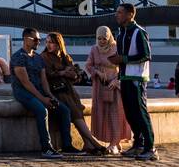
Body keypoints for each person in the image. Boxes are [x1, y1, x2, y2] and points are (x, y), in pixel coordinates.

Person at [10, 27, 74, 158]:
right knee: (42, 110)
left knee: (64, 110)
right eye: (35, 39)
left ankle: (67, 146)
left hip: (38, 91)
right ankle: (46, 148)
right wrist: (42, 99)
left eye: (39, 40)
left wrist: (50, 96)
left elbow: (44, 81)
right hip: (23, 92)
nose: (38, 42)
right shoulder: (18, 57)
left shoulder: (38, 58)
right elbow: (25, 83)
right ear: (25, 39)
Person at [42, 32, 107, 155]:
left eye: (52, 42)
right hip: (57, 91)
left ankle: (88, 144)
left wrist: (73, 74)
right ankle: (94, 142)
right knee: (75, 112)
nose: (49, 45)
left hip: (69, 91)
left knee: (78, 111)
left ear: (58, 44)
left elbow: (76, 77)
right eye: (47, 42)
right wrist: (62, 72)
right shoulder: (44, 57)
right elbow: (47, 74)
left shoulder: (66, 57)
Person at [111, 3, 157, 160]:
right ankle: (138, 144)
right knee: (130, 113)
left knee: (140, 112)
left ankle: (150, 148)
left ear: (130, 14)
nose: (117, 15)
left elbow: (146, 55)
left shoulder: (139, 32)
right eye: (117, 12)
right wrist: (116, 60)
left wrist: (122, 59)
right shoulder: (120, 33)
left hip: (137, 77)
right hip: (124, 77)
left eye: (120, 12)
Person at [86, 24, 130, 154]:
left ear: (109, 37)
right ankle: (114, 142)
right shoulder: (94, 49)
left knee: (115, 115)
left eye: (104, 38)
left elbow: (124, 67)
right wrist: (98, 72)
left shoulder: (116, 48)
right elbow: (88, 65)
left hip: (114, 86)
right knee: (103, 115)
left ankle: (114, 142)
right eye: (99, 38)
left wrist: (117, 80)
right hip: (100, 87)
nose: (101, 41)